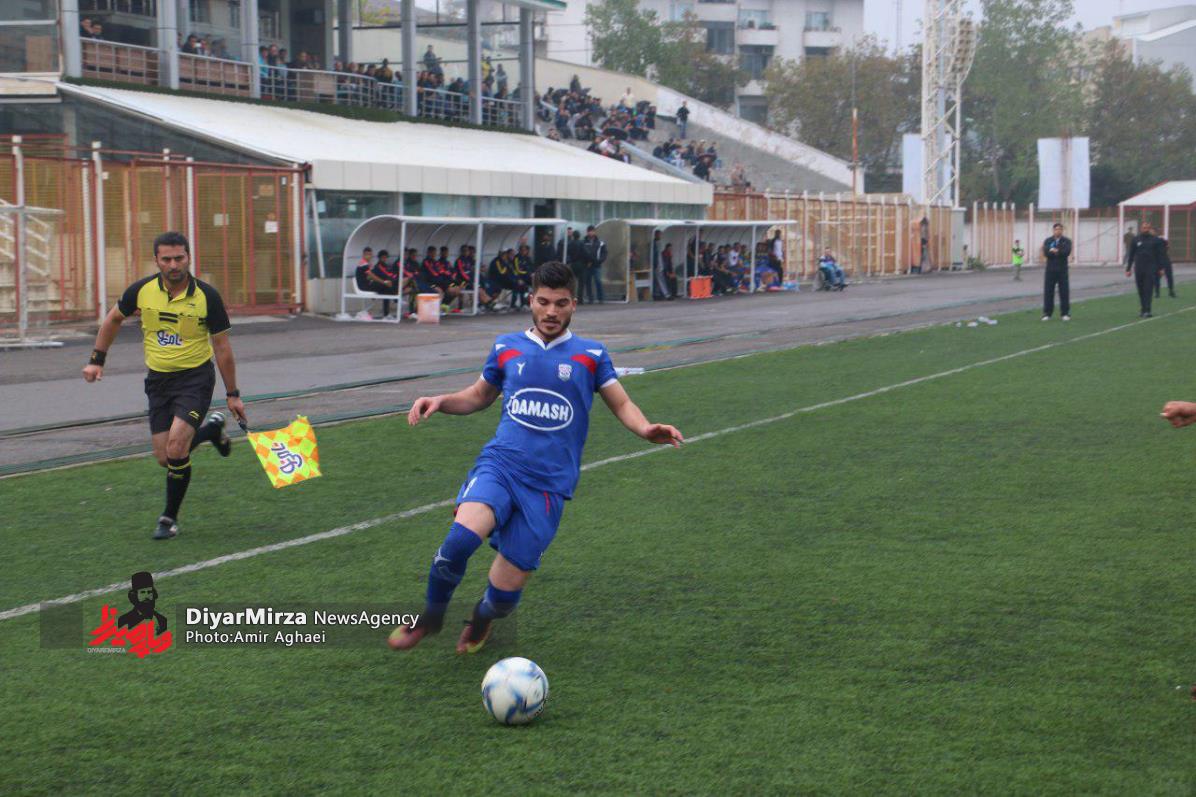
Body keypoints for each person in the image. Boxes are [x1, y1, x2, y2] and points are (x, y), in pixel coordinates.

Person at [388, 262, 683, 654]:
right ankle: (431, 616)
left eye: (560, 303)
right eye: (543, 302)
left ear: (573, 304)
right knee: (457, 543)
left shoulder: (591, 355)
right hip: (501, 466)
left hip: (548, 485)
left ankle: (481, 618)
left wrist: (645, 429)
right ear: (531, 301)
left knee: (503, 599)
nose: (551, 312)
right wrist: (441, 400)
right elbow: (479, 396)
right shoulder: (506, 347)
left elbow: (622, 402)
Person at [82, 232, 246, 540]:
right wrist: (96, 360)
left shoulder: (207, 297)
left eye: (179, 258)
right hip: (158, 381)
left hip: (195, 379)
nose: (173, 265)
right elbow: (112, 320)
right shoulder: (142, 290)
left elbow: (222, 348)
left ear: (189, 258)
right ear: (156, 260)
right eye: (167, 259)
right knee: (164, 457)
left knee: (176, 447)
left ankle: (168, 519)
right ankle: (212, 430)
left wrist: (233, 394)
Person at [1125, 221, 1169, 318]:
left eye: (1147, 228)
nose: (1146, 229)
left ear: (1150, 229)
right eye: (1144, 228)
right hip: (1139, 268)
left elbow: (1160, 255)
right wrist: (1128, 269)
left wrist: (1161, 268)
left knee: (1148, 289)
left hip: (1151, 268)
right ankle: (1143, 309)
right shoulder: (1136, 239)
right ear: (1141, 228)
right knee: (1140, 289)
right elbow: (1131, 255)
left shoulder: (1155, 240)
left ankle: (1148, 310)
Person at [1041, 223, 1072, 321]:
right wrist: (1052, 251)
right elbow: (1046, 252)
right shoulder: (1048, 240)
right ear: (1053, 230)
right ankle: (1047, 313)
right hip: (1050, 270)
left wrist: (1057, 251)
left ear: (1062, 230)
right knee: (1048, 292)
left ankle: (1065, 313)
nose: (1058, 231)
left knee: (1064, 292)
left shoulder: (1066, 241)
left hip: (1062, 270)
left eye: (1060, 229)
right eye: (1056, 229)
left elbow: (1066, 252)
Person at [370, 249, 400, 318]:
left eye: (386, 257)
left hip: (383, 285)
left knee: (389, 288)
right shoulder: (378, 266)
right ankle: (396, 300)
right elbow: (385, 275)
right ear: (379, 258)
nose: (385, 259)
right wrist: (391, 279)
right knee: (388, 290)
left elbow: (390, 274)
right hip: (378, 286)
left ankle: (387, 314)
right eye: (383, 257)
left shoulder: (385, 265)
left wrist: (393, 278)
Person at [580, 226, 606, 304]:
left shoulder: (600, 243)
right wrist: (585, 262)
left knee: (598, 281)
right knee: (588, 282)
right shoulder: (583, 242)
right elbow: (582, 253)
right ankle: (590, 298)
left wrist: (600, 261)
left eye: (592, 231)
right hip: (587, 265)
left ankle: (600, 298)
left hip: (596, 265)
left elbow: (604, 253)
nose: (591, 233)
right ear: (587, 232)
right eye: (589, 231)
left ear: (595, 232)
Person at [1154, 234, 1175, 299]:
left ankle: (1159, 293)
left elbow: (1167, 247)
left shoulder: (1160, 241)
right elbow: (1167, 247)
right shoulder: (1158, 242)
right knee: (1159, 277)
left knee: (1161, 277)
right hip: (1161, 261)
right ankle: (1160, 293)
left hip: (1162, 261)